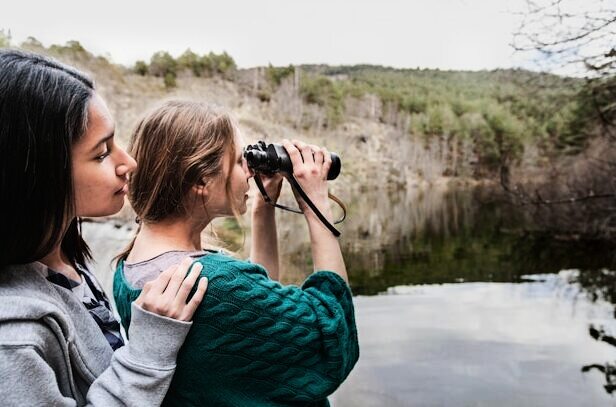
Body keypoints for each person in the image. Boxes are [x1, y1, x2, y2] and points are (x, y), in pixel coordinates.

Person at [113, 100, 359, 406]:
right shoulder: (214, 285)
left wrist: (262, 208)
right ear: (202, 180)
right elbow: (334, 339)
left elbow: (257, 305)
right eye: (242, 161)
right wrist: (316, 206)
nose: (250, 172)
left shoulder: (131, 264)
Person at [0, 49, 208, 406]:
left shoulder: (58, 254)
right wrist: (148, 351)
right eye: (100, 154)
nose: (129, 162)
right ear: (34, 174)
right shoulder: (12, 341)